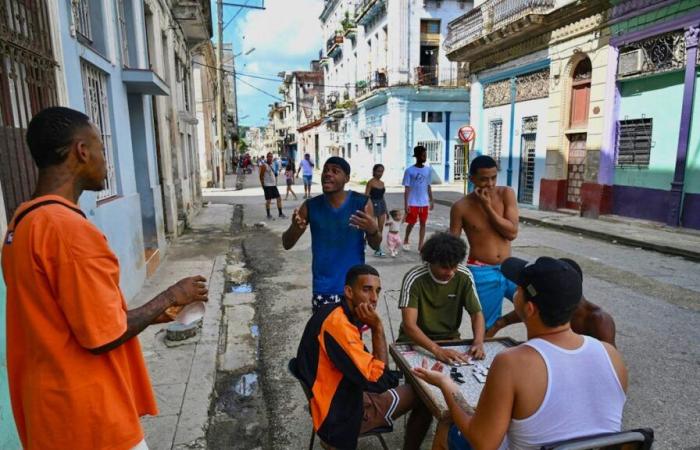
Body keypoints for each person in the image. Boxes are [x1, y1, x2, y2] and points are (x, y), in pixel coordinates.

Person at [2, 107, 209, 450]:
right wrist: (172, 294)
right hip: (89, 419)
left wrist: (156, 314)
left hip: (48, 413)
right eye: (101, 148)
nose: (105, 160)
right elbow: (101, 337)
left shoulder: (22, 223)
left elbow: (66, 319)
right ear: (81, 151)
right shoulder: (67, 230)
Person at [414, 256, 628, 450]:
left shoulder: (511, 362)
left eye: (518, 289)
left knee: (447, 424)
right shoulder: (611, 355)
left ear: (529, 308)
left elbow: (483, 443)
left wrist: (447, 385)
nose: (514, 292)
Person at [295, 265, 417, 450]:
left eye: (377, 291)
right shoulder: (339, 326)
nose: (374, 298)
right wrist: (377, 328)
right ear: (349, 291)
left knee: (417, 384)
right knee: (422, 394)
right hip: (338, 418)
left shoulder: (333, 311)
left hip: (332, 397)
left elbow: (366, 365)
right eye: (367, 290)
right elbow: (380, 382)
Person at [398, 232, 486, 447]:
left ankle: (452, 438)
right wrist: (437, 351)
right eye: (445, 267)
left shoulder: (463, 275)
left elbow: (477, 314)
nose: (451, 272)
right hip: (414, 343)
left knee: (463, 395)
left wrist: (479, 341)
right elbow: (410, 325)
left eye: (454, 266)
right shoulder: (415, 277)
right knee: (424, 401)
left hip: (450, 341)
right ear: (430, 261)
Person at [282, 157, 382, 312]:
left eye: (335, 171)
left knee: (353, 336)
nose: (328, 174)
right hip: (324, 289)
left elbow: (375, 244)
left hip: (355, 289)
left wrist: (372, 229)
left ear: (346, 178)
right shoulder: (310, 206)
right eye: (326, 170)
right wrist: (295, 227)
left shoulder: (361, 203)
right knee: (325, 335)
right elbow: (286, 244)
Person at [449, 155, 519, 330]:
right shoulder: (461, 207)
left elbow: (511, 233)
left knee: (540, 305)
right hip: (481, 271)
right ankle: (485, 353)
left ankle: (502, 323)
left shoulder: (506, 194)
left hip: (509, 267)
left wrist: (487, 207)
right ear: (472, 178)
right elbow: (452, 245)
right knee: (485, 328)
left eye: (494, 178)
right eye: (484, 179)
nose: (490, 184)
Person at [486, 258, 617, 346]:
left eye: (520, 290)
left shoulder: (599, 321)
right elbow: (501, 322)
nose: (517, 291)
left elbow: (607, 365)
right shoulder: (550, 306)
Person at [403, 145, 433, 251]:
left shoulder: (428, 170)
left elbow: (428, 185)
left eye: (425, 155)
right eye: (423, 155)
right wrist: (406, 204)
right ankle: (406, 238)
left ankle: (421, 245)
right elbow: (407, 188)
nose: (425, 157)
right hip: (413, 202)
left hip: (424, 203)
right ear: (418, 156)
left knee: (423, 223)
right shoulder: (409, 171)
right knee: (411, 223)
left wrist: (431, 200)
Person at [365, 163, 387, 257]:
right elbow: (366, 195)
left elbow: (382, 197)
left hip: (381, 205)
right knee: (372, 228)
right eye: (378, 171)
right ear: (374, 171)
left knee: (380, 228)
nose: (380, 173)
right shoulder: (370, 182)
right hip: (372, 205)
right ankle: (364, 243)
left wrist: (386, 209)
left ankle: (378, 248)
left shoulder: (382, 183)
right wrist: (367, 208)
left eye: (382, 171)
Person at [260, 151, 286, 220]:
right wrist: (263, 186)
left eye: (271, 157)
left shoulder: (272, 165)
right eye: (269, 157)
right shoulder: (264, 165)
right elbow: (261, 176)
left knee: (279, 198)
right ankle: (268, 214)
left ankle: (280, 213)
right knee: (268, 201)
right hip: (267, 186)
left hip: (273, 185)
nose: (270, 158)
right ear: (267, 157)